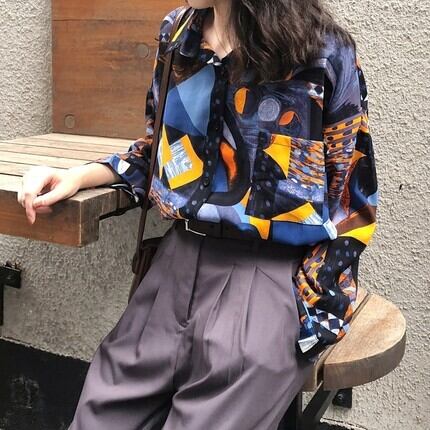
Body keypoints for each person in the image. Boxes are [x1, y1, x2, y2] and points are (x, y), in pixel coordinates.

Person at [17, 0, 378, 428]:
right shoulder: (179, 34)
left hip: (266, 276)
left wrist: (309, 309)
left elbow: (353, 201)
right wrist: (77, 176)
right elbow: (162, 152)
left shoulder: (320, 53)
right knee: (100, 415)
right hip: (175, 264)